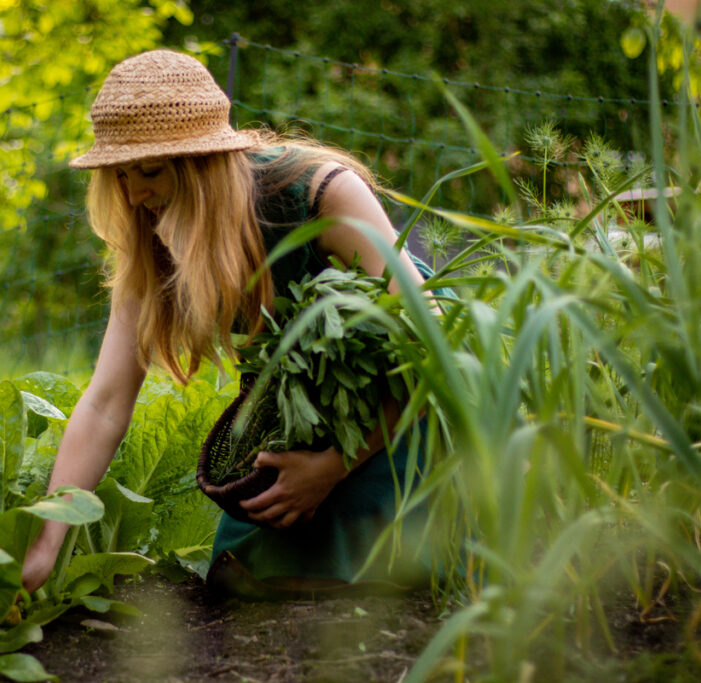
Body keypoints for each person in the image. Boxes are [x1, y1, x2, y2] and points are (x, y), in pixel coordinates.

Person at [22, 49, 436, 594]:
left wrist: (334, 467)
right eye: (119, 174)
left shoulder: (315, 193)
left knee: (379, 582)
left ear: (204, 167)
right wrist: (46, 542)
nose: (132, 194)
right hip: (297, 415)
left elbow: (435, 346)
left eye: (149, 171)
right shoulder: (152, 232)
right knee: (241, 581)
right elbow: (104, 403)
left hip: (403, 400)